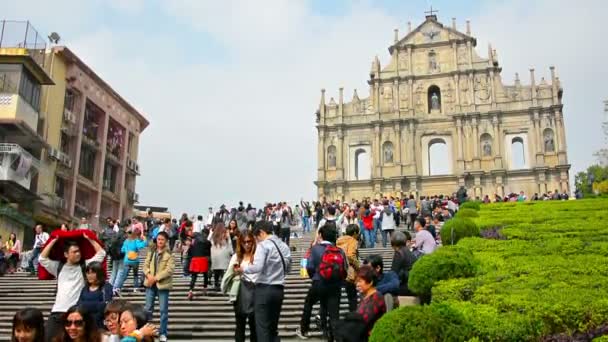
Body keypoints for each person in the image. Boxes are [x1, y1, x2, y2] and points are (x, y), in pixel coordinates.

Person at [39, 234, 106, 342]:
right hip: (57, 312)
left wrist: (88, 238)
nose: (78, 254)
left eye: (79, 251)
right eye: (74, 252)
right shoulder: (58, 267)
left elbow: (101, 253)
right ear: (66, 254)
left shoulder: (84, 266)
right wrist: (54, 240)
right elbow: (42, 258)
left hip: (74, 314)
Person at [240, 220, 291, 342]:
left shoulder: (263, 245)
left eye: (256, 237)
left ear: (261, 232)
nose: (256, 240)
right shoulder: (284, 246)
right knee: (273, 328)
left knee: (262, 328)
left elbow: (257, 267)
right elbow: (288, 268)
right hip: (279, 289)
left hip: (264, 290)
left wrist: (243, 269)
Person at [297, 223, 347, 341]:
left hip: (319, 282)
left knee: (309, 303)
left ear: (321, 235)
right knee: (334, 313)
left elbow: (309, 267)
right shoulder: (339, 251)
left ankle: (304, 329)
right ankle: (334, 337)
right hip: (335, 285)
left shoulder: (315, 249)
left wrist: (314, 276)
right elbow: (345, 268)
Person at [223, 231, 258, 342]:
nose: (247, 244)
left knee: (254, 327)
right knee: (240, 325)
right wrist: (235, 272)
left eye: (249, 242)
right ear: (240, 243)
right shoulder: (236, 257)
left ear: (253, 242)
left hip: (255, 293)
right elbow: (229, 274)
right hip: (240, 294)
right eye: (244, 242)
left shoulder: (257, 256)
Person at [143, 231, 174, 342]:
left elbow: (169, 270)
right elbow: (145, 265)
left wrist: (155, 278)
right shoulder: (151, 252)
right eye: (159, 239)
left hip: (162, 285)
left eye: (162, 239)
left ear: (166, 241)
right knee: (148, 309)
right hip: (150, 285)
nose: (160, 241)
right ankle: (148, 332)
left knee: (163, 311)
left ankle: (163, 333)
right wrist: (148, 275)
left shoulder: (169, 254)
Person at [77, 261, 113, 330]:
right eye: (88, 273)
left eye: (93, 273)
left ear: (99, 273)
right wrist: (95, 305)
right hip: (85, 326)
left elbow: (105, 306)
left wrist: (85, 305)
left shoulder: (106, 287)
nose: (90, 275)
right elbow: (79, 305)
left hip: (100, 327)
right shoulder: (85, 289)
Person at [355, 265, 386, 339]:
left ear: (370, 282)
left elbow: (363, 320)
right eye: (356, 281)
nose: (357, 284)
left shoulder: (376, 298)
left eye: (360, 281)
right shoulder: (365, 296)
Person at [113, 228, 147, 296]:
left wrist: (127, 251)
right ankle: (135, 288)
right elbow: (141, 246)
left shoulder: (126, 241)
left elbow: (122, 250)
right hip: (135, 261)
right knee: (135, 275)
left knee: (124, 275)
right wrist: (144, 240)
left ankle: (118, 288)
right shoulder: (136, 240)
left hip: (126, 260)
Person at [336, 224, 360, 312]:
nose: (358, 235)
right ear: (354, 233)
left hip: (338, 270)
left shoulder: (338, 240)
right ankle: (353, 315)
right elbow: (350, 256)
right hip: (349, 272)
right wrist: (358, 267)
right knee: (352, 296)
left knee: (336, 296)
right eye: (358, 233)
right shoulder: (353, 241)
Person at [187, 231, 211, 300]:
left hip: (195, 260)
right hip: (203, 259)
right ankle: (205, 289)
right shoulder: (207, 242)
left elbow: (190, 253)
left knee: (194, 276)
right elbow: (208, 251)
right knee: (205, 275)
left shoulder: (193, 244)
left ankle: (190, 290)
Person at [210, 222, 233, 290]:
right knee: (223, 271)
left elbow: (210, 242)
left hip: (215, 255)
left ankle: (216, 284)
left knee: (216, 271)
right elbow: (229, 243)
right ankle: (224, 285)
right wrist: (231, 252)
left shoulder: (213, 235)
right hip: (224, 254)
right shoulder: (226, 234)